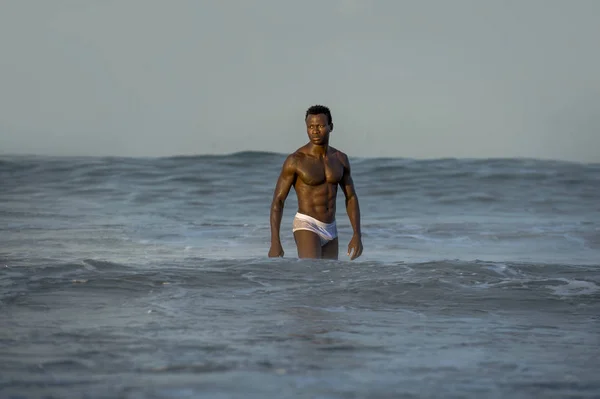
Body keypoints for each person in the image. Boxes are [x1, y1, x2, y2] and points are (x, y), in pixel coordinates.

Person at [268, 105, 363, 260]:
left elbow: (351, 197)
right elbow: (278, 201)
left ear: (330, 127)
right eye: (310, 126)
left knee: (327, 279)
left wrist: (357, 234)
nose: (315, 131)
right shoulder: (296, 160)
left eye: (320, 126)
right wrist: (275, 241)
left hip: (331, 228)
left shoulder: (340, 159)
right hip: (307, 224)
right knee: (312, 272)